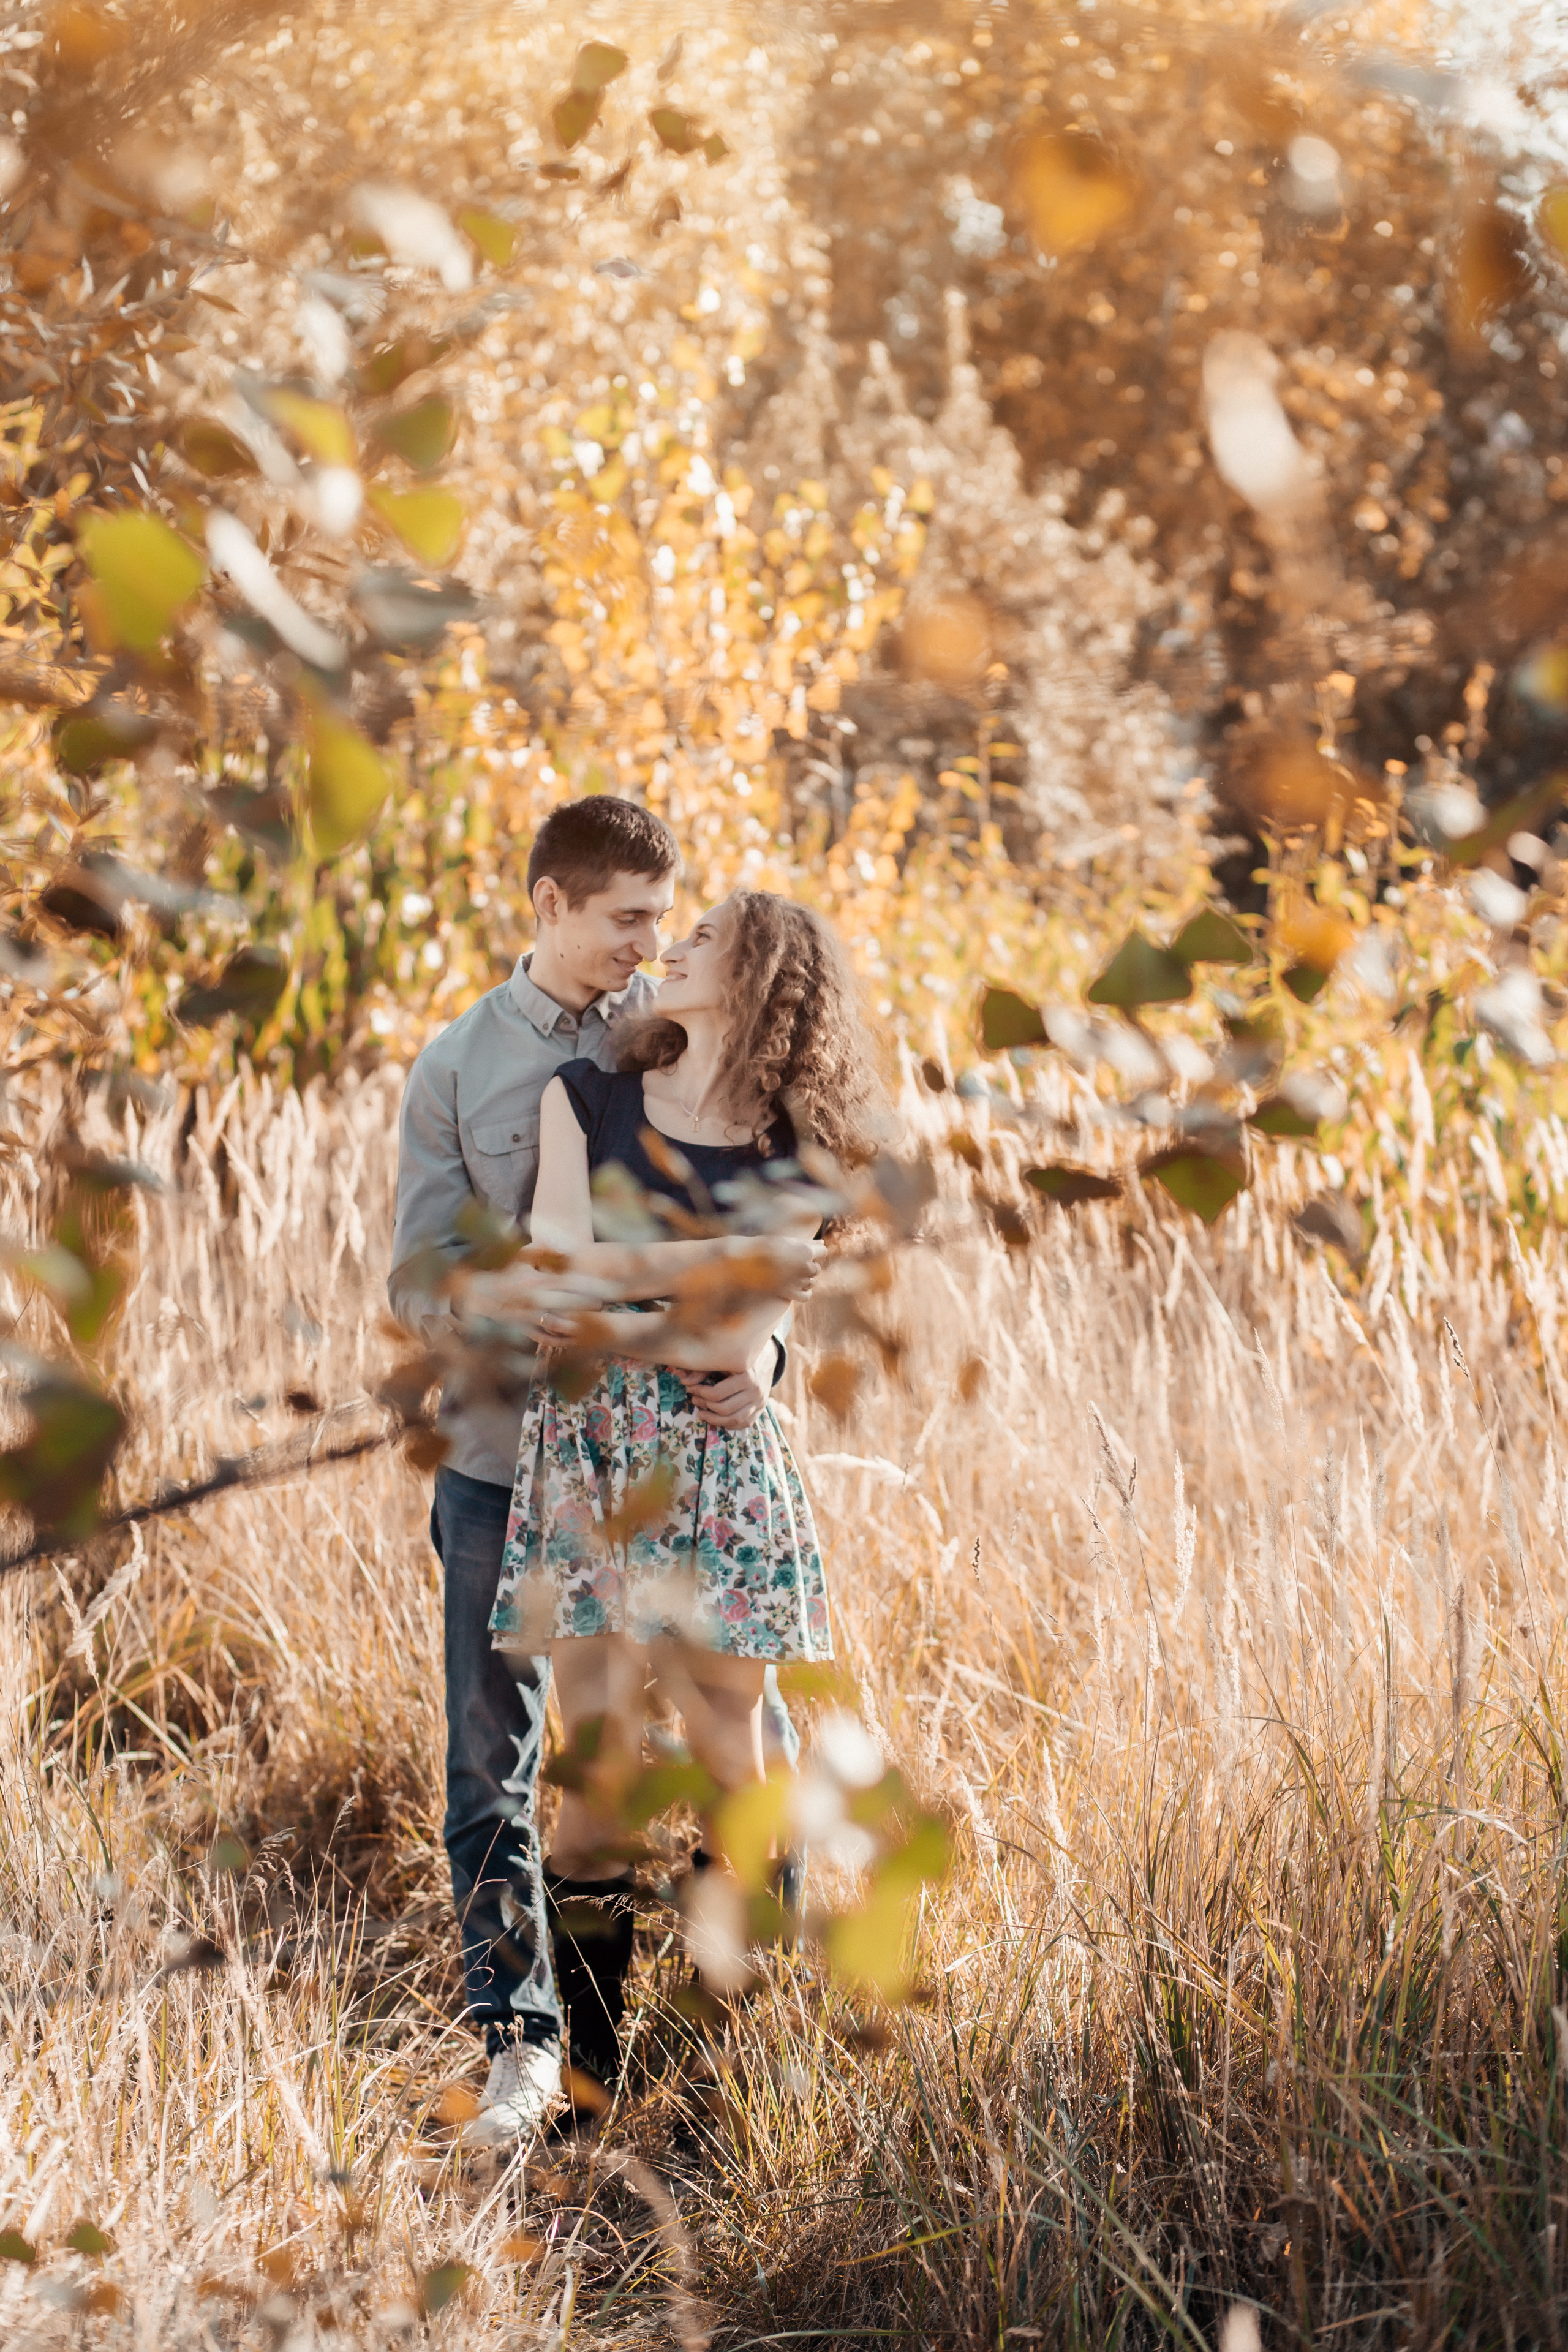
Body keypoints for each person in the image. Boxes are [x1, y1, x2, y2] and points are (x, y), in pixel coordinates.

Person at [388, 800, 822, 2148]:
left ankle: (750, 2025)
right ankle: (529, 2046)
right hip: (505, 1456)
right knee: (499, 1760)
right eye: (626, 918)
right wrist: (517, 1311)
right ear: (548, 907)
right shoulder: (459, 1066)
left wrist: (765, 1350)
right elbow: (416, 1276)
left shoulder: (684, 1045)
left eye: (663, 919)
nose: (648, 943)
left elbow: (765, 1234)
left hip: (684, 1451)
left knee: (746, 1744)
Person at [489, 888, 885, 2098]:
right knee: (599, 1778)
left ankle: (721, 2076)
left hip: (721, 1470)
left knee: (734, 1770)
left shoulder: (800, 1145)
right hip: (594, 1456)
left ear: (764, 974)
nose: (671, 946)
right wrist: (722, 1267)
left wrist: (728, 1328)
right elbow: (556, 1278)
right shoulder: (585, 1099)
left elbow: (747, 1330)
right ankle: (585, 2092)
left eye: (703, 936)